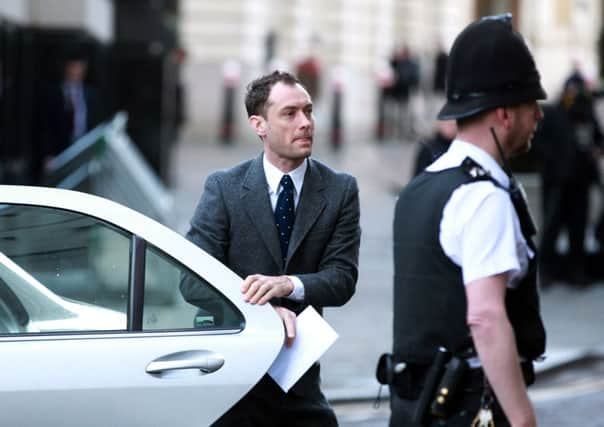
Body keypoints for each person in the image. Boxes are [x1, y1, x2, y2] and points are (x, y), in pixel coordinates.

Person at [390, 14, 546, 426]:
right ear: (505, 115)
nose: (539, 117)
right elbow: (485, 317)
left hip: (413, 409)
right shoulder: (483, 198)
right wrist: (523, 419)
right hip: (467, 409)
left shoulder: (422, 186)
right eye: (532, 105)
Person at [183, 70, 361, 427]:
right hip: (233, 378)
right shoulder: (224, 188)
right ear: (259, 125)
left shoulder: (340, 189)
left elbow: (342, 279)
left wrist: (288, 284)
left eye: (309, 111)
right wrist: (264, 312)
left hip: (299, 381)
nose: (306, 123)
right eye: (290, 113)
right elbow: (192, 283)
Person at [533, 76, 603, 286]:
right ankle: (547, 271)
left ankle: (576, 271)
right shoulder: (553, 114)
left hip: (580, 182)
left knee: (578, 228)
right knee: (552, 226)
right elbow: (539, 143)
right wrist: (554, 163)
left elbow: (597, 138)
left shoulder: (586, 114)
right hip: (557, 182)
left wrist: (593, 153)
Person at [41, 55, 99, 166]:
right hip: (60, 149)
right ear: (66, 69)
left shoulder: (90, 94)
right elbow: (46, 126)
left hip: (83, 146)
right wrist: (48, 153)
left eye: (79, 68)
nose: (75, 71)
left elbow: (94, 122)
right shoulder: (53, 93)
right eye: (73, 67)